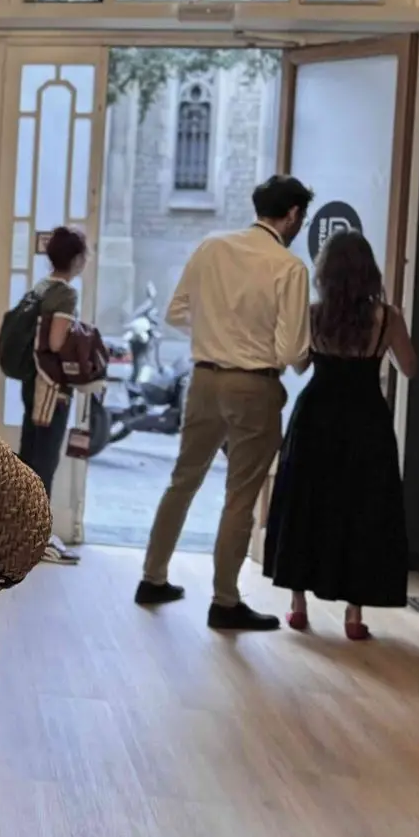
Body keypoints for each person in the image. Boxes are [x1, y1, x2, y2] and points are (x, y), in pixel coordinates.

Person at [137, 176, 313, 631]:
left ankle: (152, 577)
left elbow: (176, 312)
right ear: (293, 214)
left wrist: (216, 333)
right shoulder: (289, 267)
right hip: (253, 385)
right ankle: (225, 601)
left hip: (203, 379)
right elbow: (294, 352)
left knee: (183, 480)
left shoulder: (212, 246)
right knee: (240, 495)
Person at [264, 231, 418, 640]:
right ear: (369, 272)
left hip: (316, 416)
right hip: (366, 419)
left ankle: (298, 605)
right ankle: (353, 613)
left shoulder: (313, 315)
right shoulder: (388, 317)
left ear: (325, 273)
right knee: (362, 508)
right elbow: (410, 367)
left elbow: (298, 365)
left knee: (306, 502)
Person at [16, 225, 87, 498]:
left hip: (32, 379)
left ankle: (18, 517)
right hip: (51, 386)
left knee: (28, 456)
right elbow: (56, 342)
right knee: (45, 462)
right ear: (77, 259)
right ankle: (37, 520)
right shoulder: (66, 294)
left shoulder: (41, 286)